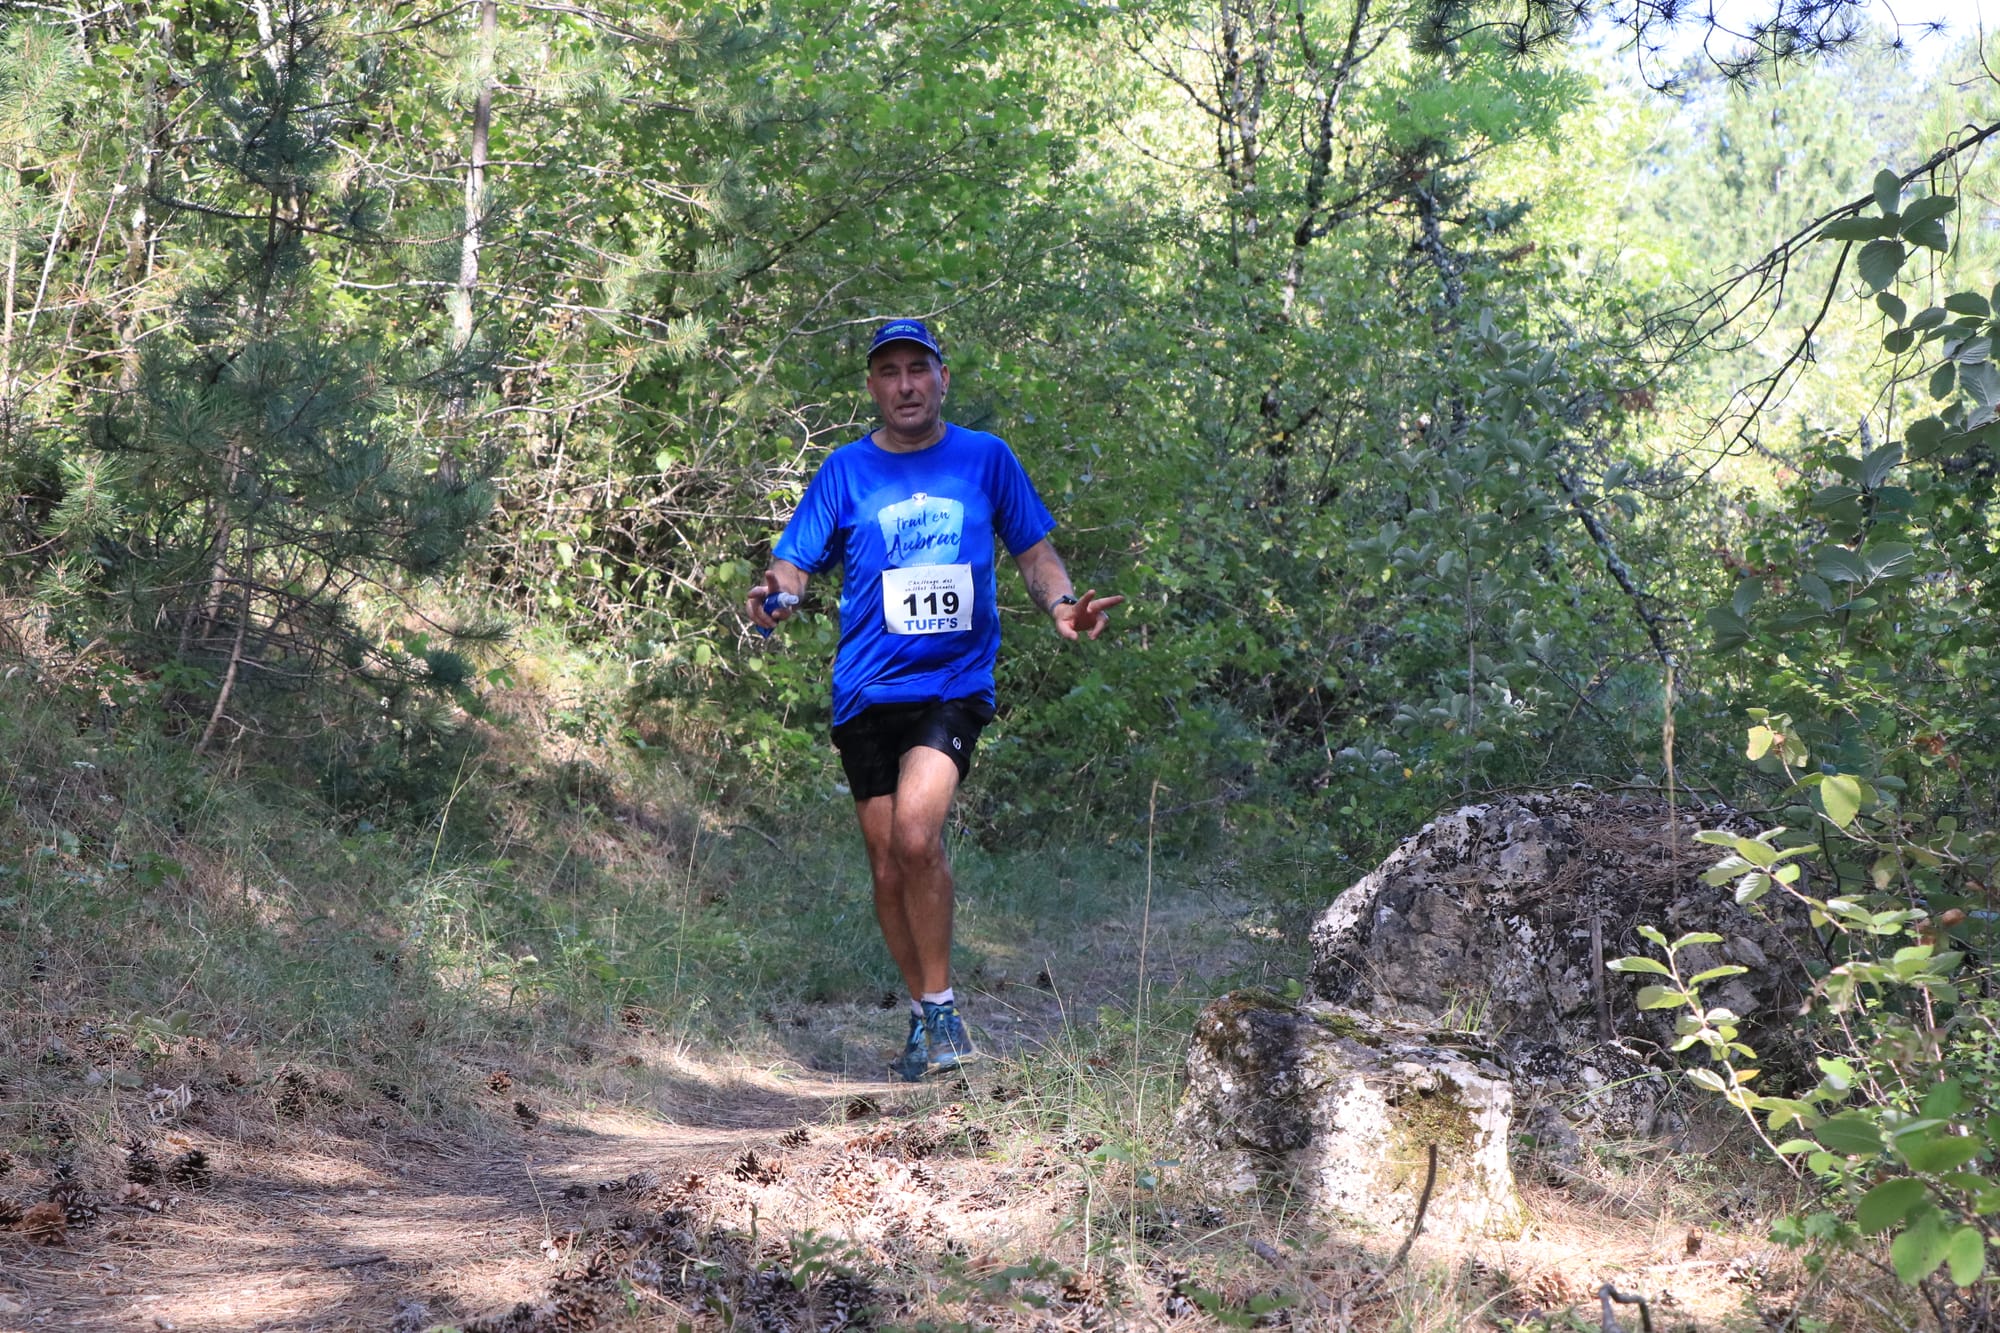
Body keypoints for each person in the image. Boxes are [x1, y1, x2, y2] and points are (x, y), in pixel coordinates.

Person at [746, 317, 1122, 1081]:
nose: (906, 384)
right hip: (864, 690)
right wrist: (772, 598)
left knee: (918, 836)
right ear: (873, 387)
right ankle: (924, 1016)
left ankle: (945, 1010)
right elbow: (793, 563)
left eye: (920, 368)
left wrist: (1063, 606)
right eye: (890, 372)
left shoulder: (987, 458)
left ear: (943, 378)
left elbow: (1034, 551)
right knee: (887, 864)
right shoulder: (845, 470)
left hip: (951, 685)